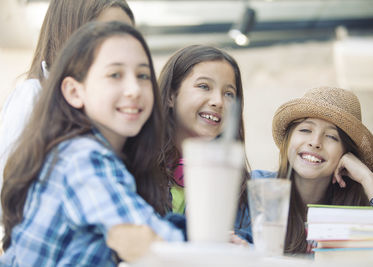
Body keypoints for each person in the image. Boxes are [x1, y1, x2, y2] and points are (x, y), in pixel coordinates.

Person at [0, 21, 183, 265]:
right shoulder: (82, 157)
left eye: (143, 75)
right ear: (75, 92)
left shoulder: (79, 152)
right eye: (115, 74)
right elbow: (145, 240)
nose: (134, 89)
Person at [0, 0, 135, 204]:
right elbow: (9, 190)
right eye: (105, 35)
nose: (120, 46)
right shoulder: (34, 94)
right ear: (71, 35)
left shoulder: (120, 102)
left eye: (127, 35)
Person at [252, 86, 373, 254]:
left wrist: (367, 178)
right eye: (305, 130)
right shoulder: (258, 186)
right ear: (289, 139)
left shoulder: (356, 214)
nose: (315, 142)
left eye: (332, 136)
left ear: (347, 153)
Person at [158, 45, 251, 243]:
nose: (218, 101)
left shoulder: (240, 186)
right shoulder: (137, 169)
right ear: (170, 96)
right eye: (204, 86)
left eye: (229, 94)